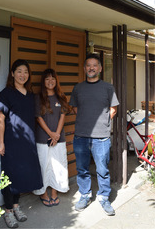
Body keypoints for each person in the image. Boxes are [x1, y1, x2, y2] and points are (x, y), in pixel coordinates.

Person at [69, 53, 119, 216]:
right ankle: (85, 195)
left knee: (102, 169)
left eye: (94, 65)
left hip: (101, 137)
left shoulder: (108, 88)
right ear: (84, 68)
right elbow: (76, 109)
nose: (91, 68)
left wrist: (101, 124)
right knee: (82, 168)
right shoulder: (78, 88)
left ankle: (104, 197)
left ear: (100, 68)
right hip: (81, 136)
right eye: (88, 65)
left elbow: (113, 109)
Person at [0, 59, 43, 228]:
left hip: (28, 142)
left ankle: (16, 206)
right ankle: (8, 211)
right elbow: (0, 119)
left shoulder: (30, 95)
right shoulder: (5, 94)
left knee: (21, 175)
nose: (23, 75)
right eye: (19, 71)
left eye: (26, 72)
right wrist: (1, 142)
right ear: (12, 73)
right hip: (11, 142)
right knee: (9, 176)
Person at [33, 69, 71, 207]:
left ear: (56, 81)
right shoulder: (38, 97)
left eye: (53, 79)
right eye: (47, 79)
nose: (50, 81)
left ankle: (54, 192)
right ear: (43, 81)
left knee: (58, 165)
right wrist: (51, 134)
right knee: (43, 165)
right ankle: (43, 193)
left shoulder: (61, 97)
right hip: (43, 138)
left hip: (59, 139)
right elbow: (38, 117)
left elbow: (62, 116)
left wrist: (56, 135)